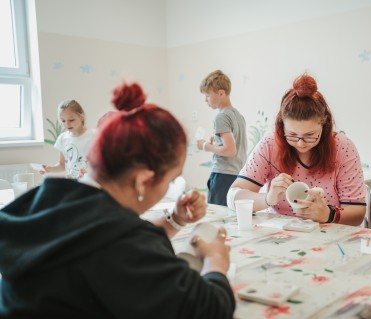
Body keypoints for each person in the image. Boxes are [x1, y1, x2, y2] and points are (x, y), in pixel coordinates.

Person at [0, 83, 235, 318]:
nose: (167, 189)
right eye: (171, 180)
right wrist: (216, 259)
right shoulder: (122, 247)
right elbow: (209, 309)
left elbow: (101, 235)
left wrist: (173, 219)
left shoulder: (44, 200)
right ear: (143, 180)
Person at [227, 74, 366, 226]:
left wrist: (329, 214)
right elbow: (232, 197)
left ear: (324, 123)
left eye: (310, 135)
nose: (300, 144)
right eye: (292, 135)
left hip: (326, 236)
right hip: (278, 235)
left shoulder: (342, 147)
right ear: (282, 125)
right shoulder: (270, 143)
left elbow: (357, 213)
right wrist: (267, 199)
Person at [196, 70, 247, 206]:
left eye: (207, 96)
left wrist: (205, 146)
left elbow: (230, 151)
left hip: (224, 174)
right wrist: (216, 146)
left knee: (217, 214)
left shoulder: (221, 116)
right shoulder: (238, 116)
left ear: (221, 93)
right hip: (238, 173)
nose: (205, 100)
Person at [42, 99, 96, 178]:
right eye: (63, 121)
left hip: (89, 184)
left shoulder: (94, 135)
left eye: (71, 120)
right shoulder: (63, 138)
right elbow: (62, 164)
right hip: (72, 184)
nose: (67, 124)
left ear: (81, 116)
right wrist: (49, 169)